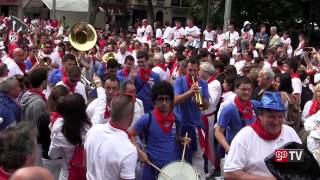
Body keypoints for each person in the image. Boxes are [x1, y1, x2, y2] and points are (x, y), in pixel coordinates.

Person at [224, 91, 301, 179]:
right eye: (271, 117)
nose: (276, 121)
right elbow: (230, 173)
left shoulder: (289, 133)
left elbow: (300, 161)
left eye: (280, 117)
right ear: (260, 115)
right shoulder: (245, 136)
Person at [85, 93, 137, 180]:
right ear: (131, 116)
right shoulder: (129, 150)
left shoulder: (92, 130)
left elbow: (86, 164)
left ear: (110, 111)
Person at [173, 57, 210, 179]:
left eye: (195, 70)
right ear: (185, 70)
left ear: (198, 70)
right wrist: (190, 92)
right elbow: (175, 100)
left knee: (198, 157)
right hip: (182, 124)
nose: (193, 73)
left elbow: (206, 105)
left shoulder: (203, 83)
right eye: (190, 70)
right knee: (182, 157)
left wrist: (200, 95)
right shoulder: (179, 81)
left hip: (196, 126)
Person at [48, 94, 92, 180]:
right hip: (87, 174)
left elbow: (52, 155)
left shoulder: (59, 130)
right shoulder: (90, 127)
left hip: (67, 174)